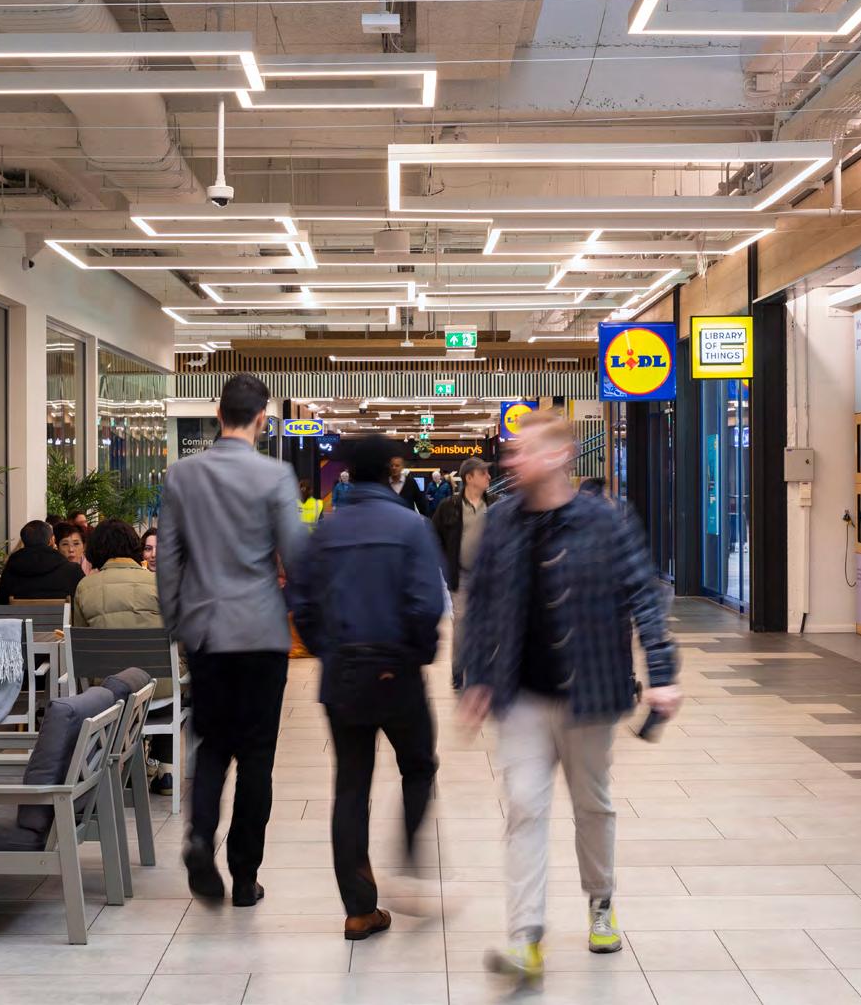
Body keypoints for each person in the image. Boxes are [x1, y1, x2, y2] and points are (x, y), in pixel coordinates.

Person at [457, 411, 681, 985]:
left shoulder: (605, 520)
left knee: (592, 806)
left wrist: (661, 672)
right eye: (512, 451)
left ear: (559, 456)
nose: (512, 460)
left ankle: (601, 901)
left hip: (590, 692)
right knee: (524, 809)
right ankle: (525, 937)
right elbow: (480, 603)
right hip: (522, 696)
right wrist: (474, 676)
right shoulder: (502, 521)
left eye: (524, 450)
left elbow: (644, 594)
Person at [287, 435, 446, 941]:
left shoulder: (326, 530)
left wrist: (329, 650)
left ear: (349, 474)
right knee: (418, 766)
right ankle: (410, 858)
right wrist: (415, 655)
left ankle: (359, 910)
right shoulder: (411, 526)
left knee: (351, 786)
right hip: (398, 671)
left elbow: (301, 603)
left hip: (344, 675)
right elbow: (428, 603)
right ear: (391, 471)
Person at [157, 372, 306, 907]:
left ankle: (200, 838)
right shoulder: (275, 476)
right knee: (258, 756)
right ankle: (245, 877)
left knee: (212, 744)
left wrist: (177, 623)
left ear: (218, 414)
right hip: (262, 633)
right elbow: (296, 553)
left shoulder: (182, 475)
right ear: (262, 419)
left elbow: (168, 559)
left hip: (207, 633)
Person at [74, 518, 176, 796]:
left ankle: (131, 765)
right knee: (181, 683)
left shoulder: (85, 587)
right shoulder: (159, 583)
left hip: (109, 689)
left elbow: (81, 646)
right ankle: (164, 768)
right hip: (159, 689)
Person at [431, 456, 492, 689]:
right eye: (483, 473)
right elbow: (434, 536)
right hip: (461, 576)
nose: (488, 477)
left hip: (490, 578)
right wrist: (445, 563)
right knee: (462, 625)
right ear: (469, 478)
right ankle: (458, 671)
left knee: (488, 625)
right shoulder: (449, 506)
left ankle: (482, 673)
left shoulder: (495, 505)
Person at [0, 519, 85, 604]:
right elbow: (84, 604)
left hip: (20, 616)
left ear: (24, 541)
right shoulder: (72, 570)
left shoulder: (11, 569)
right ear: (52, 540)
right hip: (61, 616)